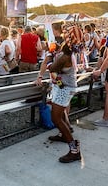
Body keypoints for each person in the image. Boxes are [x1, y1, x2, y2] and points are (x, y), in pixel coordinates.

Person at [35, 33, 81, 163]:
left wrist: (50, 56)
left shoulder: (65, 56)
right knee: (60, 115)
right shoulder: (68, 54)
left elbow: (53, 68)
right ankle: (63, 135)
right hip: (62, 87)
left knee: (56, 118)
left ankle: (74, 150)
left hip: (64, 88)